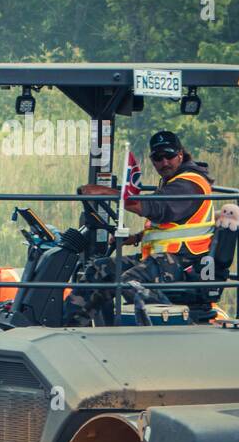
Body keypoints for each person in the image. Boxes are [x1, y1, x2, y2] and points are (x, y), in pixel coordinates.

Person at [72, 129, 215, 319]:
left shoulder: (189, 184)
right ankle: (73, 324)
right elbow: (169, 225)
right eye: (158, 157)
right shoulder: (171, 182)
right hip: (160, 257)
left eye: (169, 155)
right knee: (100, 268)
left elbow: (153, 207)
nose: (164, 162)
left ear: (180, 154)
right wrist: (136, 238)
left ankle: (174, 319)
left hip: (184, 261)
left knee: (129, 282)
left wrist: (106, 192)